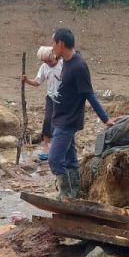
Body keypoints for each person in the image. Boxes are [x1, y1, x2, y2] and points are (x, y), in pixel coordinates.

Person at [47, 27, 114, 199]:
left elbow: (89, 95)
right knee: (69, 160)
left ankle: (66, 195)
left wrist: (105, 119)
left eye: (53, 43)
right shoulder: (67, 62)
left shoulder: (78, 66)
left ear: (61, 44)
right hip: (60, 119)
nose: (52, 47)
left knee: (54, 159)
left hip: (68, 121)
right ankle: (75, 193)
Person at [20, 45, 62, 161]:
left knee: (60, 122)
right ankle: (46, 147)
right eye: (45, 61)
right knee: (48, 120)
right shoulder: (44, 67)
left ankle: (58, 148)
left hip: (64, 99)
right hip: (51, 97)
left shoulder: (63, 64)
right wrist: (27, 80)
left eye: (49, 61)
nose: (48, 63)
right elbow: (38, 82)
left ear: (54, 56)